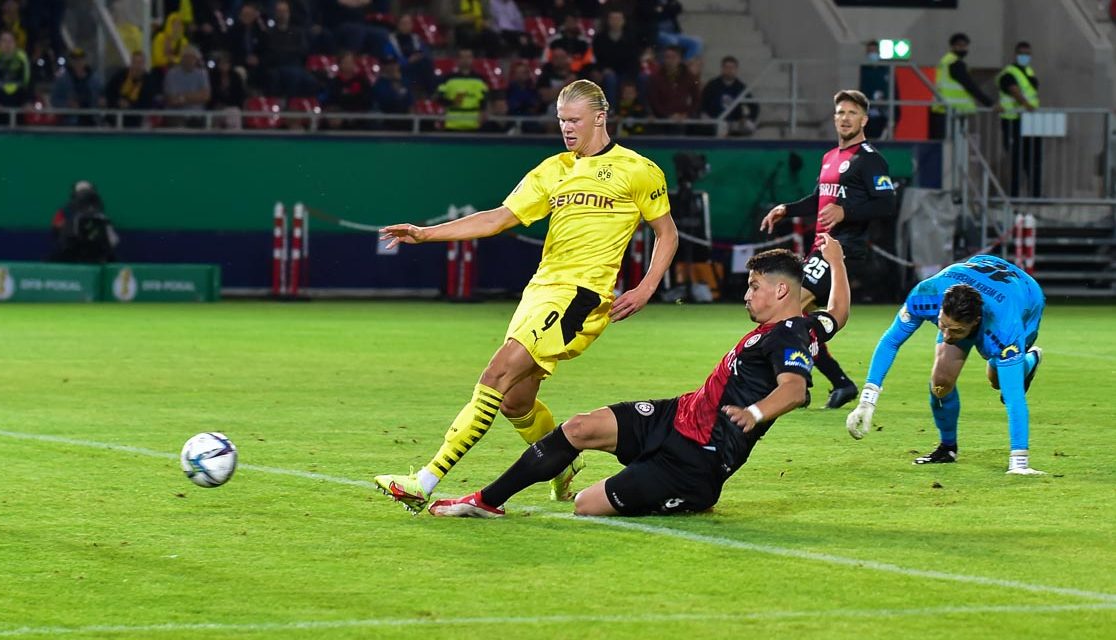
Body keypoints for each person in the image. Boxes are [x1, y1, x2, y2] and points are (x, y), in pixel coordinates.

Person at [374, 79, 679, 513]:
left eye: (574, 120)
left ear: (600, 116)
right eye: (561, 121)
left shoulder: (638, 170)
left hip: (580, 297)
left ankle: (424, 479)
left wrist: (646, 287)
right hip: (540, 292)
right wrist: (426, 234)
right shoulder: (553, 169)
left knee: (496, 375)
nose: (567, 129)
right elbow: (498, 218)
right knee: (517, 400)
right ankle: (561, 466)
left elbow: (666, 234)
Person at [428, 237, 849, 518]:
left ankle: (686, 498)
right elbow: (839, 315)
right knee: (579, 427)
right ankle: (486, 501)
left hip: (697, 460)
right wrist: (837, 262)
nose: (746, 294)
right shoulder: (809, 327)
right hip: (674, 416)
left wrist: (755, 413)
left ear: (780, 292)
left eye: (754, 286)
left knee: (586, 506)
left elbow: (793, 389)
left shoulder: (789, 334)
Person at [845, 255, 1046, 475]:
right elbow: (891, 341)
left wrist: (1019, 463)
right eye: (942, 325)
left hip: (1025, 297)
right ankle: (947, 448)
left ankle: (1030, 360)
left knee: (999, 381)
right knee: (940, 383)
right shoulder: (925, 295)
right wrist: (867, 401)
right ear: (940, 309)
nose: (947, 336)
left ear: (976, 321)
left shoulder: (1005, 328)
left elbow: (1015, 397)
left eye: (957, 330)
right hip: (980, 272)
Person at [760, 90, 896, 409]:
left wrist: (847, 212)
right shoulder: (830, 157)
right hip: (819, 248)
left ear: (863, 120)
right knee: (800, 319)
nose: (845, 118)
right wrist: (786, 209)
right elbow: (819, 198)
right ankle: (839, 382)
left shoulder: (870, 159)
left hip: (843, 250)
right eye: (840, 112)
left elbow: (887, 204)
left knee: (785, 310)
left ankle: (790, 383)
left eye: (851, 113)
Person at [928, 33, 995, 140]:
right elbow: (970, 85)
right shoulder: (954, 63)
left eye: (965, 46)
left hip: (943, 109)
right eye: (959, 46)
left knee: (945, 147)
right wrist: (990, 104)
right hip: (951, 112)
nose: (963, 48)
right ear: (952, 46)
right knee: (951, 147)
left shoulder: (945, 61)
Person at [997, 41, 1041, 198]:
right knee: (1016, 159)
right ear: (1015, 55)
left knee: (1033, 159)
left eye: (1027, 54)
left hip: (1029, 121)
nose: (1025, 56)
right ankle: (1014, 195)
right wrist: (1026, 104)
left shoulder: (1029, 71)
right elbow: (1013, 90)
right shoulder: (1009, 73)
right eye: (1022, 53)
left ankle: (1036, 194)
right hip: (1012, 120)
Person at [701, 55, 758, 136]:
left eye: (732, 67)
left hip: (734, 123)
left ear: (736, 69)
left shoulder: (741, 87)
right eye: (727, 67)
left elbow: (754, 106)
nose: (729, 70)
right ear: (722, 69)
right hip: (714, 122)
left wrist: (748, 119)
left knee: (749, 127)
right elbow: (702, 103)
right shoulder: (712, 85)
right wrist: (705, 116)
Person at [859, 40, 898, 139]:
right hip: (868, 113)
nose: (872, 54)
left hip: (883, 112)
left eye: (874, 51)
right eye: (869, 52)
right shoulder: (865, 70)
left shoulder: (886, 69)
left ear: (878, 52)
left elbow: (893, 91)